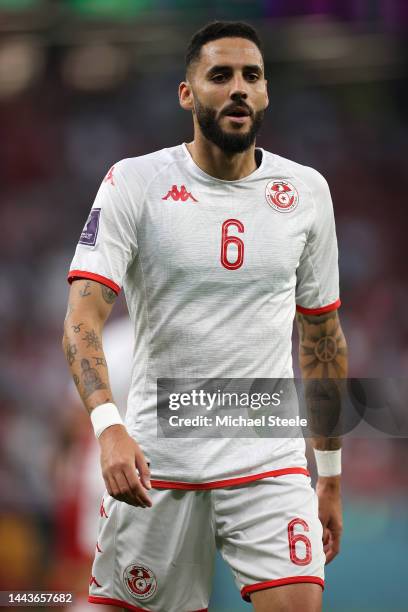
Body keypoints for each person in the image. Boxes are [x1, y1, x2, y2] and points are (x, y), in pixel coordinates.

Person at [63, 21, 347, 612]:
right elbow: (81, 320)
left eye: (252, 76)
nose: (238, 88)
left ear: (266, 92)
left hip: (268, 463)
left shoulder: (306, 192)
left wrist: (330, 472)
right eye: (220, 75)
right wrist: (109, 427)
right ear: (188, 93)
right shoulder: (134, 183)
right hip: (157, 467)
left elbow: (321, 337)